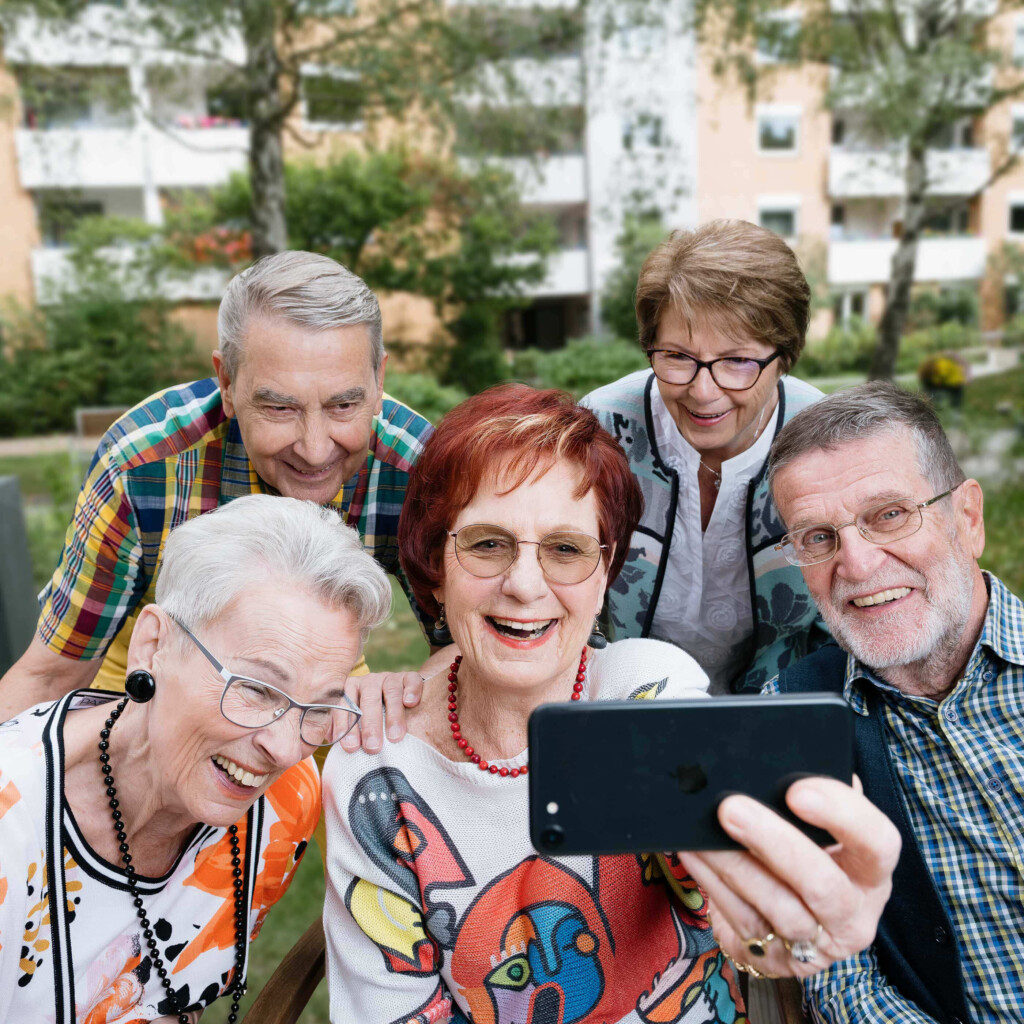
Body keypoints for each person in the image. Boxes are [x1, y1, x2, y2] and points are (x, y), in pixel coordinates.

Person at [321, 385, 901, 1023]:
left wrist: (772, 920)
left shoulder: (648, 692)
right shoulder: (373, 769)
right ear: (435, 566)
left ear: (605, 575)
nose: (523, 585)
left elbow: (728, 891)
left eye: (566, 550)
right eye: (487, 544)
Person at [0, 251, 434, 744]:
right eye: (279, 407)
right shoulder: (143, 465)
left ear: (379, 380)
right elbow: (54, 674)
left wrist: (405, 694)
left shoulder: (417, 468)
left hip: (315, 680)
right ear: (227, 382)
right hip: (148, 672)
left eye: (344, 405)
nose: (315, 450)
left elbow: (471, 654)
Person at [0, 493, 392, 1024]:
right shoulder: (12, 824)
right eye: (256, 689)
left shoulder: (284, 803)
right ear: (153, 645)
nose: (284, 747)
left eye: (318, 708)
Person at [763, 380, 1023, 1023]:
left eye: (888, 515)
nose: (855, 563)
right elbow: (840, 982)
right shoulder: (792, 720)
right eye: (818, 537)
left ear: (967, 518)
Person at [583, 220, 827, 694]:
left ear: (785, 357)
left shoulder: (824, 441)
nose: (702, 391)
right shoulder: (600, 428)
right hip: (621, 700)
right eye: (677, 355)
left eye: (737, 361)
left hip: (784, 704)